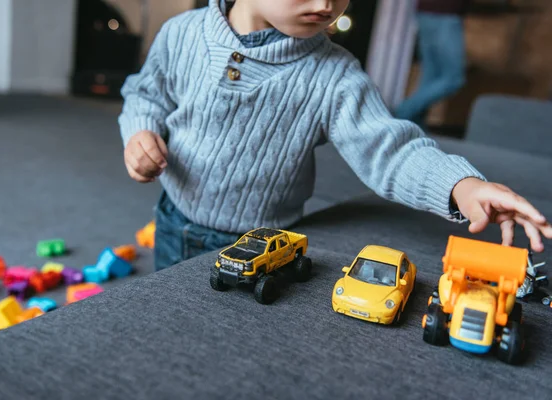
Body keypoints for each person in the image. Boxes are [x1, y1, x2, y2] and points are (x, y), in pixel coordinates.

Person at [119, 0, 552, 271]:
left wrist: (461, 185)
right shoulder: (182, 34)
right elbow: (147, 93)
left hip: (264, 240)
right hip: (174, 217)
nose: (327, 4)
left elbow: (390, 151)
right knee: (168, 318)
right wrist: (139, 131)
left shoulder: (335, 75)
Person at [395, 0, 471, 125]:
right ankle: (402, 112)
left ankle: (414, 127)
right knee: (454, 78)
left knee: (430, 77)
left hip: (426, 12)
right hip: (445, 13)